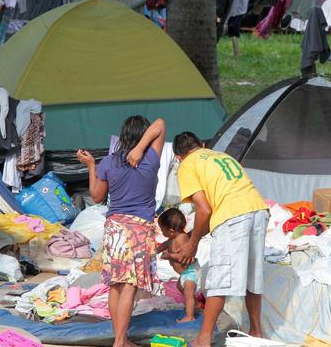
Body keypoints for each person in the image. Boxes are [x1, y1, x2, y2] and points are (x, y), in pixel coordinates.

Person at [170, 132, 268, 347]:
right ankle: (256, 331)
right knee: (254, 276)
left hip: (232, 216)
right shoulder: (220, 156)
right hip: (259, 210)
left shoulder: (187, 165)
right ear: (202, 144)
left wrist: (193, 244)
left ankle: (203, 339)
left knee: (218, 280)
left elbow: (204, 209)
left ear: (178, 157)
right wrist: (195, 238)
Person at [77, 116, 165, 347]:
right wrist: (140, 149)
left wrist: (91, 166)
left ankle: (121, 338)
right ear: (143, 136)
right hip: (138, 229)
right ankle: (119, 342)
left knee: (115, 284)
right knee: (129, 285)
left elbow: (96, 197)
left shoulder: (108, 162)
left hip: (114, 228)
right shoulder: (150, 160)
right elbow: (160, 124)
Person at [158, 208, 199, 323]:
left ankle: (189, 316)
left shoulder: (182, 238)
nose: (161, 232)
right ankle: (196, 304)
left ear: (171, 230)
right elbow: (165, 244)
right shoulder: (172, 237)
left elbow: (182, 256)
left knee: (188, 293)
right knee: (179, 286)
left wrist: (169, 256)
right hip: (185, 273)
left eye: (162, 230)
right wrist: (156, 250)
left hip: (191, 271)